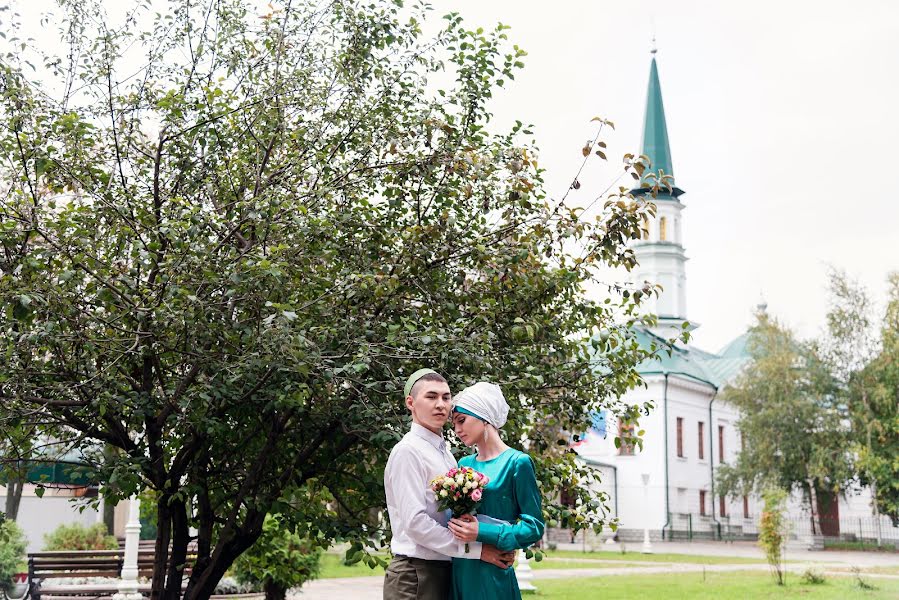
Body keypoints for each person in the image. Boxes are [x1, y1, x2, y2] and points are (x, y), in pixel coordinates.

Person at [383, 369, 516, 600]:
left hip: (446, 569)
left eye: (446, 397)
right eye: (431, 397)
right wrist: (478, 551)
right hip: (416, 575)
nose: (440, 404)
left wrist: (495, 536)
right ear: (410, 403)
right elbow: (415, 523)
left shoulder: (447, 456)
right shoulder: (408, 451)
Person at [447, 382, 545, 600]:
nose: (457, 430)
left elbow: (534, 527)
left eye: (461, 421)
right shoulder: (463, 464)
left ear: (484, 418)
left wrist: (482, 532)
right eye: (454, 424)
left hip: (492, 574)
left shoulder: (517, 463)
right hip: (461, 568)